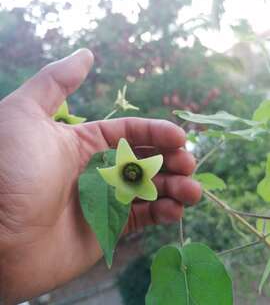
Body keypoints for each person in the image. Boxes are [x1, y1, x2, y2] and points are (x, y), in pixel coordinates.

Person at [0, 49, 201, 304]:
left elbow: (144, 188)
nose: (131, 172)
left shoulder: (128, 172)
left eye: (132, 171)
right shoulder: (111, 171)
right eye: (131, 171)